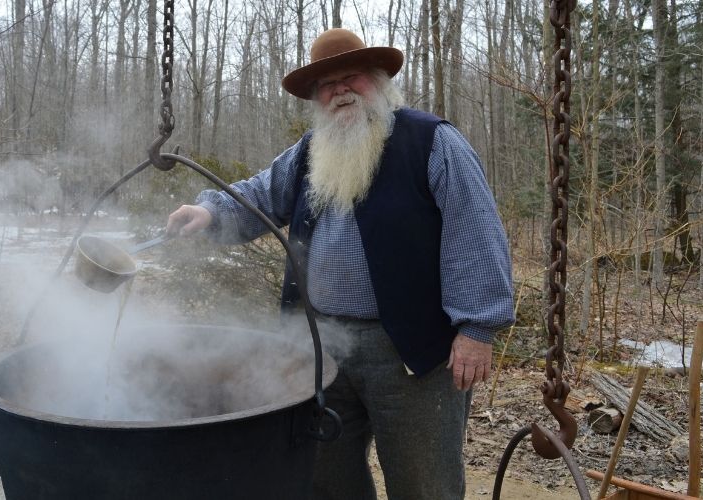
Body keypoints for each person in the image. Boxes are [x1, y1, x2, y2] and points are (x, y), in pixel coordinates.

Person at [166, 28, 515, 499]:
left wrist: (477, 327)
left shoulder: (431, 141)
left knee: (423, 484)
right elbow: (259, 196)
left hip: (410, 351)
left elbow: (474, 231)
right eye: (327, 85)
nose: (340, 91)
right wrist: (209, 211)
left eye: (351, 77)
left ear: (378, 80)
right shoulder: (310, 152)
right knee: (325, 478)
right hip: (322, 343)